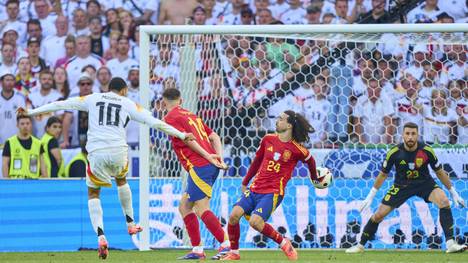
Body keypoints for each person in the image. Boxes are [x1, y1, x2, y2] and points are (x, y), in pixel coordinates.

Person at [17, 77, 195, 259]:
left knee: (93, 193)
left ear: (108, 89)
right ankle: (131, 224)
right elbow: (154, 122)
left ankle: (101, 236)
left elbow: (60, 104)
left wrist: (31, 112)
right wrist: (181, 134)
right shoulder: (127, 103)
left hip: (97, 151)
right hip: (118, 150)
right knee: (121, 180)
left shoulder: (92, 98)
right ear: (124, 90)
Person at [345, 122, 466, 254]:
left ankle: (450, 244)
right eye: (407, 134)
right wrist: (370, 196)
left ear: (417, 135)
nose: (410, 137)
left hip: (424, 184)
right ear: (403, 135)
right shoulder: (394, 152)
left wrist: (454, 193)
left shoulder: (426, 150)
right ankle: (360, 245)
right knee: (379, 215)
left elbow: (439, 172)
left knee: (444, 201)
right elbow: (383, 174)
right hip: (401, 186)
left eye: (413, 134)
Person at [221, 111, 323, 261]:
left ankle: (283, 242)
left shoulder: (297, 149)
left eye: (281, 119)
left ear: (289, 125)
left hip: (273, 192)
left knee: (255, 223)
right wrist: (245, 182)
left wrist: (315, 178)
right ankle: (234, 253)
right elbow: (256, 161)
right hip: (255, 188)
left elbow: (311, 161)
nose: (277, 121)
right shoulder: (268, 139)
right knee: (234, 216)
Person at [161, 88, 230, 260]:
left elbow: (187, 139)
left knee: (201, 208)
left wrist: (208, 156)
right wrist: (218, 157)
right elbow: (214, 136)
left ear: (163, 102)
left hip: (200, 165)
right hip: (209, 164)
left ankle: (227, 245)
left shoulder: (170, 118)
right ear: (181, 100)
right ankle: (197, 249)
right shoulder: (192, 115)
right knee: (184, 206)